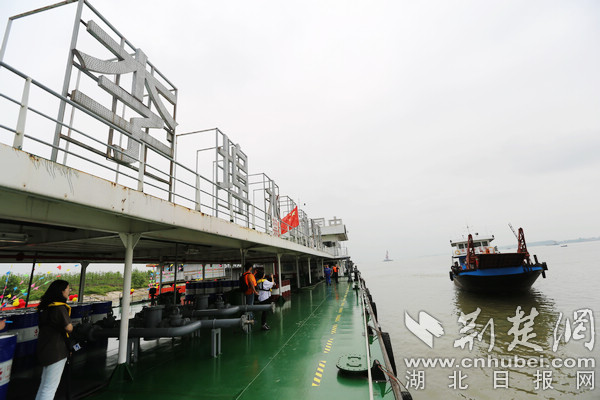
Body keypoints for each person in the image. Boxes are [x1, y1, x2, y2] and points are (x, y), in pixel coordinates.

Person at [35, 279, 73, 400]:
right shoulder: (59, 308)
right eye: (68, 289)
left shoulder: (45, 307)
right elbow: (69, 328)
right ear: (62, 291)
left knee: (44, 385)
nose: (69, 291)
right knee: (50, 388)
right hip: (57, 351)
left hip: (45, 348)